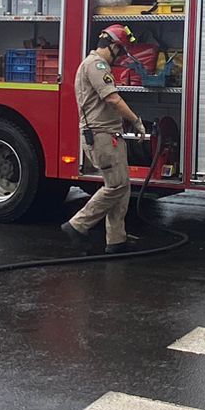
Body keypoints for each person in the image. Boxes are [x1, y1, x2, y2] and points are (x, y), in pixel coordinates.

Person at [61, 23, 146, 254]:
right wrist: (136, 121)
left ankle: (116, 240)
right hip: (102, 137)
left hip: (107, 135)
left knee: (121, 186)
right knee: (117, 186)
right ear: (113, 46)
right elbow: (112, 99)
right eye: (120, 51)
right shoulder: (96, 65)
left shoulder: (92, 65)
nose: (120, 58)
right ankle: (78, 225)